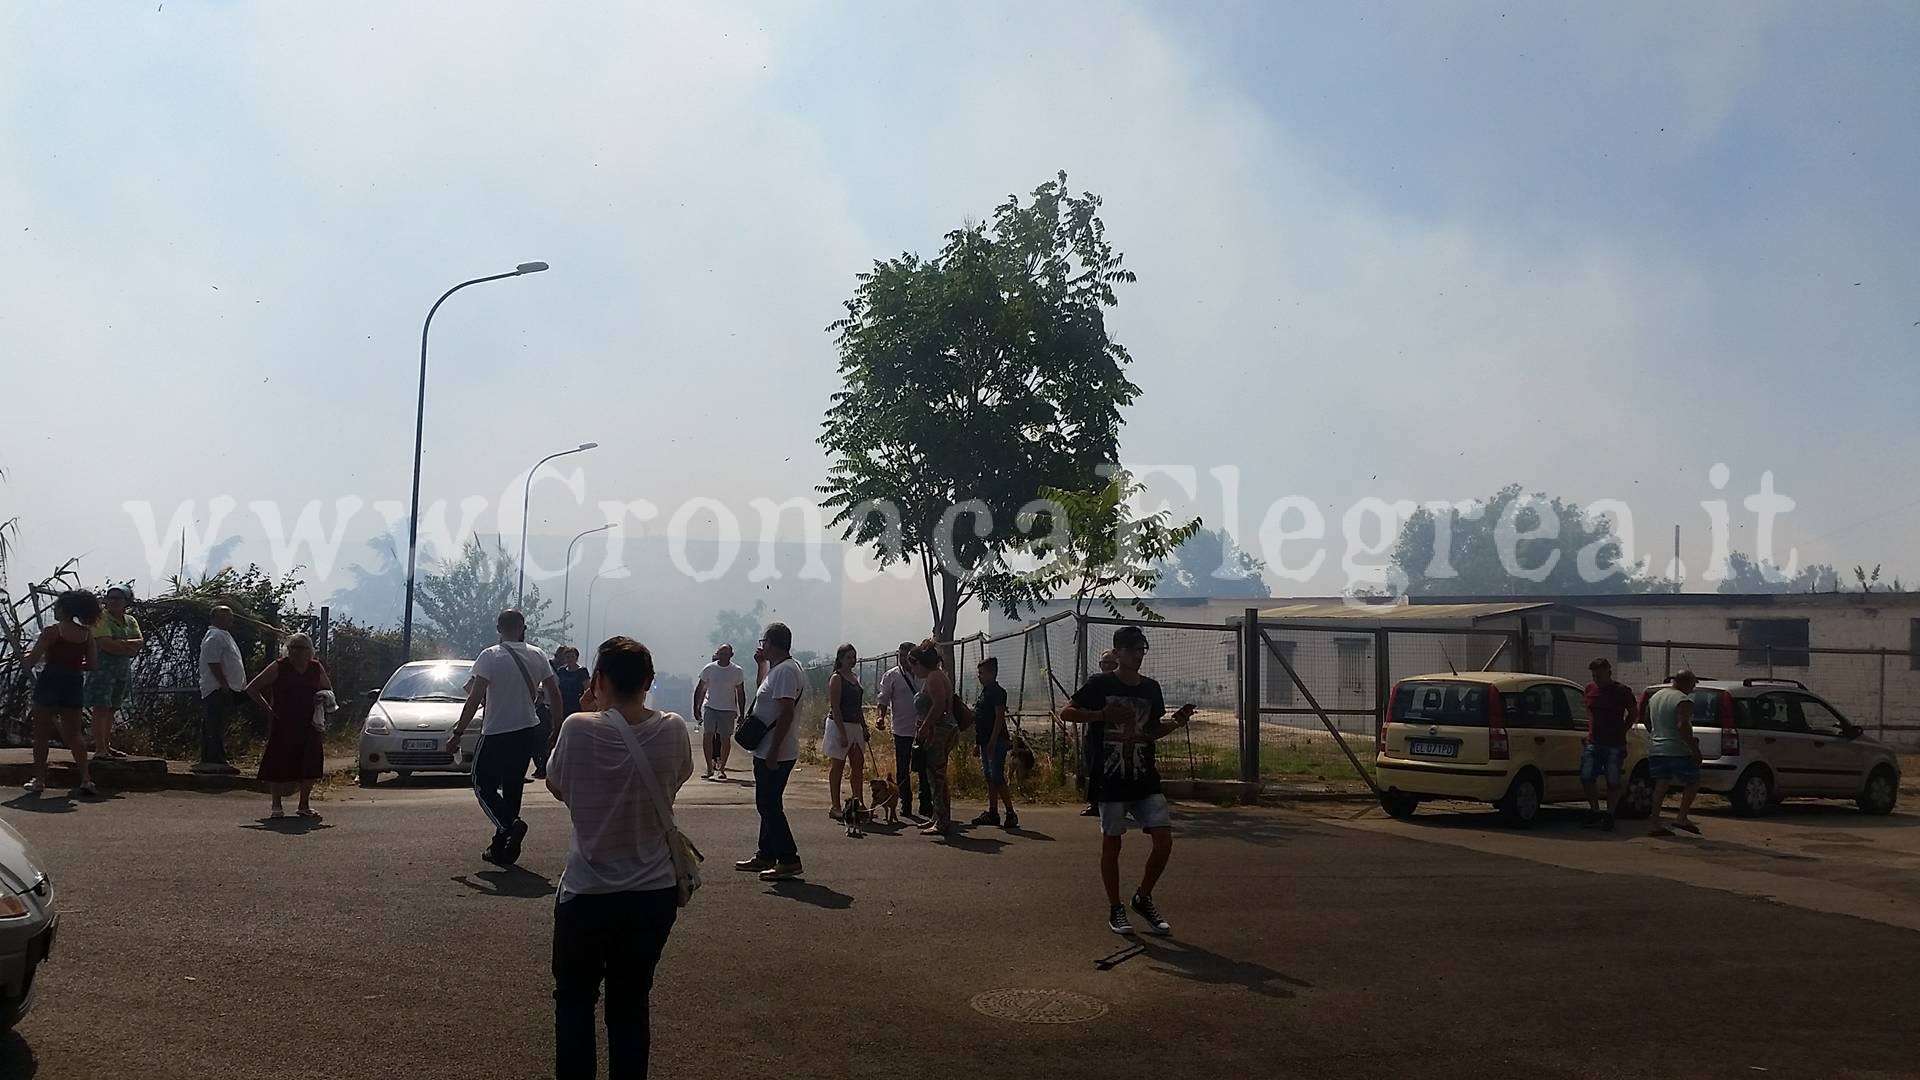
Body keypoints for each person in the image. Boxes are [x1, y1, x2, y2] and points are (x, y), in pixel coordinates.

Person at [545, 636, 691, 1080]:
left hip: (589, 890)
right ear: (649, 681)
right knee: (630, 1002)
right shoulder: (673, 728)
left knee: (574, 1001)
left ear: (598, 679)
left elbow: (557, 786)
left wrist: (591, 708)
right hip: (653, 892)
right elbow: (676, 780)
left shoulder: (577, 727)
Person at [1061, 625, 1195, 936]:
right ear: (1118, 651)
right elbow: (1067, 712)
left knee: (1163, 841)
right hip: (1110, 776)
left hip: (1144, 776)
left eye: (1141, 650)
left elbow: (1151, 731)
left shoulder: (1151, 688)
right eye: (1133, 649)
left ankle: (1142, 897)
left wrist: (1176, 722)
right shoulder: (1099, 684)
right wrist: (1100, 716)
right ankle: (1115, 907)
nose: (1138, 655)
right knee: (1112, 843)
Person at [446, 610, 565, 865]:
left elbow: (475, 697)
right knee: (513, 788)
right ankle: (502, 846)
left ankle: (512, 826)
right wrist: (557, 726)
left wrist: (458, 732)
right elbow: (554, 693)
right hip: (526, 731)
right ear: (523, 628)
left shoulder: (490, 656)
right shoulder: (538, 655)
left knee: (481, 784)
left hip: (496, 731)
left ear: (498, 628)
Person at [735, 622, 804, 881]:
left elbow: (785, 712)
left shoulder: (786, 671)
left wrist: (774, 750)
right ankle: (766, 854)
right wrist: (760, 665)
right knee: (768, 803)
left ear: (772, 643)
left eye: (764, 642)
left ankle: (788, 858)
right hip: (768, 749)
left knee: (769, 805)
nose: (762, 646)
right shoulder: (779, 669)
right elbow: (764, 692)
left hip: (776, 751)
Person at [245, 633, 331, 820]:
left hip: (309, 722)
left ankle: (304, 805)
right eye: (292, 647)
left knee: (311, 761)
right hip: (283, 721)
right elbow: (252, 688)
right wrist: (267, 709)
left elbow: (328, 689)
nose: (296, 652)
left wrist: (322, 697)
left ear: (310, 651)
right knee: (278, 761)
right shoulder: (279, 666)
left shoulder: (316, 668)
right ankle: (276, 805)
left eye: (301, 648)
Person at [23, 590, 100, 797]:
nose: (55, 610)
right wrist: (72, 665)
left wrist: (32, 660)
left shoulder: (52, 631)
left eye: (57, 607)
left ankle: (39, 780)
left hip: (50, 681)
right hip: (73, 682)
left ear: (64, 609)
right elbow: (92, 664)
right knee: (74, 734)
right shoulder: (86, 634)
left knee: (41, 734)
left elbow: (31, 660)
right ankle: (85, 778)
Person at [906, 640, 959, 838]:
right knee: (933, 776)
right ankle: (938, 816)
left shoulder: (934, 678)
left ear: (919, 663)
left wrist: (926, 726)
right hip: (937, 730)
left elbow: (939, 706)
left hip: (940, 731)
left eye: (913, 665)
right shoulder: (935, 676)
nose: (913, 670)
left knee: (937, 776)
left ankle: (943, 820)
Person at [85, 584, 143, 760]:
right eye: (110, 597)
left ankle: (107, 745)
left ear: (126, 601)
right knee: (101, 708)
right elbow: (105, 644)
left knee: (112, 708)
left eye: (118, 598)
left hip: (121, 670)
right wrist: (127, 645)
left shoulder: (130, 620)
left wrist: (120, 644)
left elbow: (139, 642)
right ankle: (100, 748)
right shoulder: (100, 619)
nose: (113, 601)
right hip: (102, 669)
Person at [1580, 657, 1638, 831]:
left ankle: (1609, 814)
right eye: (1594, 676)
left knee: (1612, 780)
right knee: (1586, 776)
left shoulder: (1622, 691)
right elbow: (1588, 712)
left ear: (1609, 673)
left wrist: (1623, 730)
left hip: (1614, 743)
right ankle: (1595, 811)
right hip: (1594, 742)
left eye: (1600, 675)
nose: (1597, 679)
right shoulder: (1589, 689)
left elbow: (1633, 713)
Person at [1645, 669, 1704, 838]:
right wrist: (1694, 749)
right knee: (1693, 781)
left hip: (1656, 748)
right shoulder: (1683, 700)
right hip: (1677, 749)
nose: (1692, 689)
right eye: (1692, 685)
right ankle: (1682, 817)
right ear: (1685, 683)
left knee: (1660, 785)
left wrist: (1657, 735)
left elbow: (1646, 720)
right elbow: (1682, 725)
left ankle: (1654, 823)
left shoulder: (1655, 696)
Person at [875, 642, 929, 821]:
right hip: (901, 729)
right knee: (902, 769)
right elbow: (883, 700)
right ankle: (905, 804)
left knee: (924, 768)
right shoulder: (891, 676)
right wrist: (880, 717)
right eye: (901, 656)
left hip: (923, 728)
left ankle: (926, 804)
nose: (905, 660)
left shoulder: (924, 674)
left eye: (908, 657)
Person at [196, 606, 248, 773]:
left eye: (230, 617)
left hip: (225, 686)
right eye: (225, 617)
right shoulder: (215, 635)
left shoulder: (223, 634)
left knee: (217, 722)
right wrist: (223, 683)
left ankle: (214, 757)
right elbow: (213, 662)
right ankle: (214, 758)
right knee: (214, 722)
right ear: (215, 619)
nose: (230, 620)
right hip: (217, 687)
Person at [970, 656, 1017, 830]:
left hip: (996, 741)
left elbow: (999, 719)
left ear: (992, 673)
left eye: (982, 673)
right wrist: (978, 743)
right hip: (984, 740)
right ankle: (993, 811)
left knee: (997, 776)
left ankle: (1011, 813)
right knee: (989, 777)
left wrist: (993, 740)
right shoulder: (985, 692)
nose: (979, 676)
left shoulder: (997, 692)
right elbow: (980, 720)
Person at [823, 644, 867, 820]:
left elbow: (858, 706)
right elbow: (835, 707)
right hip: (839, 725)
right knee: (838, 766)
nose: (852, 660)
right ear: (840, 659)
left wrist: (864, 726)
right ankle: (835, 805)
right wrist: (842, 733)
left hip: (855, 725)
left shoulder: (855, 678)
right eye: (849, 657)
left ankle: (859, 802)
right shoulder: (837, 678)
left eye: (854, 656)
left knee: (857, 765)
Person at [692, 644, 747, 781]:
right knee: (708, 736)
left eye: (726, 654)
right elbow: (700, 689)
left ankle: (722, 769)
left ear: (731, 655)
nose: (723, 657)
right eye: (721, 654)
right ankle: (710, 768)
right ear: (717, 654)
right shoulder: (709, 669)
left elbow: (740, 693)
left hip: (728, 709)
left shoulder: (736, 671)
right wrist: (696, 708)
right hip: (710, 706)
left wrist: (742, 712)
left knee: (725, 739)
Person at [536, 645, 590, 781]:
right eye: (567, 656)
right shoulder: (561, 672)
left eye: (572, 656)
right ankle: (557, 767)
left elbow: (587, 690)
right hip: (562, 707)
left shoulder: (582, 672)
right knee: (558, 737)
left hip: (576, 708)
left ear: (576, 658)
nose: (569, 659)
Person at [1080, 649, 1119, 817]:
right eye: (1104, 663)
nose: (1107, 666)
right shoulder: (1095, 683)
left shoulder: (1121, 683)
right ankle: (1094, 803)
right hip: (1095, 729)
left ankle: (1118, 802)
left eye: (1110, 663)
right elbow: (1079, 705)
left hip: (1115, 732)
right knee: (1095, 766)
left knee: (1115, 767)